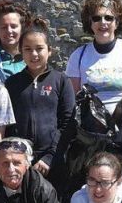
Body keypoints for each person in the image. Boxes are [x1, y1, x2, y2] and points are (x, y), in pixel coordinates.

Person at [5, 23, 75, 176]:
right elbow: (7, 122)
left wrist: (50, 157)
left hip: (53, 160)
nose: (34, 54)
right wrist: (17, 156)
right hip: (20, 161)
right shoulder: (12, 83)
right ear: (21, 52)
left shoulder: (61, 81)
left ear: (49, 51)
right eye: (28, 49)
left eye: (39, 48)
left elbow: (68, 122)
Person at [66, 0, 122, 114]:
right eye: (96, 18)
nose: (103, 22)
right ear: (90, 23)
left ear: (117, 22)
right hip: (91, 128)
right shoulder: (78, 56)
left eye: (109, 18)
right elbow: (72, 99)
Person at [0, 0, 31, 80]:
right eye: (4, 27)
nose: (9, 31)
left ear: (22, 29)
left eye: (14, 26)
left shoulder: (32, 54)